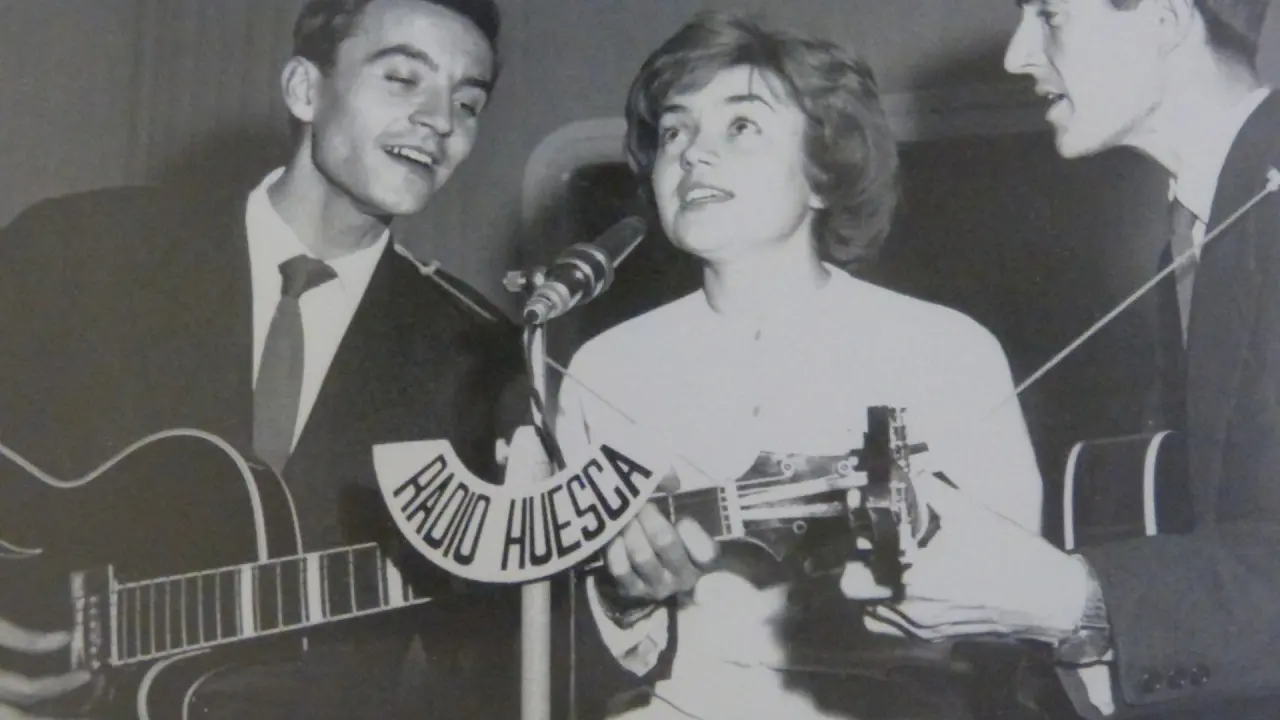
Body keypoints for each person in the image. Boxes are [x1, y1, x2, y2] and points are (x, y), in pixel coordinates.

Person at [0, 1, 525, 718]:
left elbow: (487, 660)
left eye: (468, 103)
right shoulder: (80, 247)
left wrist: (622, 605)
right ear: (305, 90)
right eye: (404, 78)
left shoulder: (483, 361)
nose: (441, 121)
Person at [554, 12, 1047, 719]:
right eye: (674, 132)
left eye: (741, 126)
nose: (693, 155)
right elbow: (568, 649)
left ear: (823, 174)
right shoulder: (601, 370)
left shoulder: (949, 350)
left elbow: (1016, 613)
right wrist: (622, 597)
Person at [841, 1, 1280, 719]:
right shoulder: (1202, 225)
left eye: (1049, 14)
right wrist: (1071, 629)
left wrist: (1073, 598)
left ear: (1166, 19)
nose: (1015, 55)